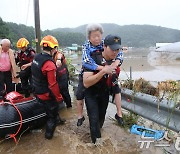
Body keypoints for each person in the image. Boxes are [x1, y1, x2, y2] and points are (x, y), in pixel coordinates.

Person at [76, 23, 124, 126]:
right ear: (89, 37)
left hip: (106, 73)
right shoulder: (86, 46)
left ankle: (119, 113)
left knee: (116, 89)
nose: (97, 39)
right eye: (94, 36)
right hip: (91, 71)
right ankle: (80, 116)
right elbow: (86, 61)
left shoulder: (105, 44)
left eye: (99, 35)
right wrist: (103, 68)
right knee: (80, 93)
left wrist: (116, 63)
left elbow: (120, 53)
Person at [83, 34, 122, 144]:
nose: (115, 52)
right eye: (113, 49)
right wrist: (103, 71)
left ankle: (97, 136)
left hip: (104, 94)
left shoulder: (116, 62)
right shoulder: (92, 58)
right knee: (94, 121)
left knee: (101, 119)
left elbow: (114, 82)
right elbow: (86, 83)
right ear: (104, 46)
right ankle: (97, 147)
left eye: (117, 49)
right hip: (91, 93)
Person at [31, 35, 65, 139]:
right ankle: (49, 136)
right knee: (52, 116)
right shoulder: (49, 64)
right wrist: (59, 98)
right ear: (54, 48)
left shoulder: (36, 57)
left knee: (49, 110)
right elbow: (53, 85)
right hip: (46, 94)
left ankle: (58, 120)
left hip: (37, 91)